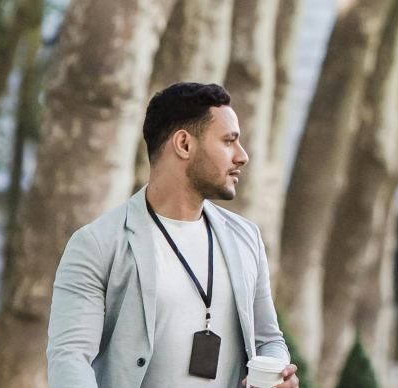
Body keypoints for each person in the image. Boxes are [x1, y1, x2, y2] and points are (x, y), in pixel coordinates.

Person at [47, 82, 299, 388]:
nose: (242, 156)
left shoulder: (246, 237)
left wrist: (276, 374)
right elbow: (70, 358)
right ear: (184, 144)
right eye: (228, 141)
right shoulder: (97, 245)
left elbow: (268, 340)